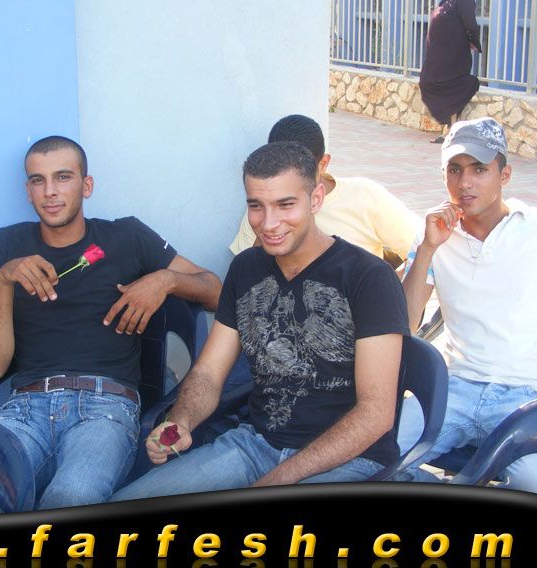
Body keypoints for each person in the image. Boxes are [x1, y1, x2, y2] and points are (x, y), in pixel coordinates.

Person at [111, 141, 410, 502]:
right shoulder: (246, 269)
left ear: (316, 199)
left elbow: (376, 413)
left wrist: (277, 480)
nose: (268, 223)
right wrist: (181, 421)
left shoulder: (368, 277)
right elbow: (209, 373)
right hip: (256, 446)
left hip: (349, 461)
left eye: (286, 205)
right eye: (256, 206)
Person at [0, 135, 221, 510]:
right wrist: (5, 280)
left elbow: (216, 291)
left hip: (104, 408)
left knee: (71, 497)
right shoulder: (3, 247)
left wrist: (166, 280)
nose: (50, 191)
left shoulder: (127, 236)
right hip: (24, 409)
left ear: (86, 185)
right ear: (28, 190)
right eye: (38, 180)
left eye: (63, 177)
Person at [397, 117, 537, 493]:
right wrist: (428, 248)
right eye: (454, 169)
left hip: (530, 395)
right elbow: (405, 323)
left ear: (505, 174)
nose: (464, 183)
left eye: (479, 169)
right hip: (456, 386)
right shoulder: (433, 233)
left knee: (535, 483)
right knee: (377, 455)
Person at [229, 114, 419, 269]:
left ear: (323, 164)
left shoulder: (365, 196)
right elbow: (246, 275)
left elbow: (420, 248)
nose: (271, 220)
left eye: (286, 204)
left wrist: (394, 291)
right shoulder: (263, 212)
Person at [420, 0, 482, 144]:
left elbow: (470, 23)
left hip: (454, 57)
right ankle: (449, 128)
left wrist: (475, 43)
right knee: (427, 83)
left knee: (451, 86)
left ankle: (451, 131)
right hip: (440, 57)